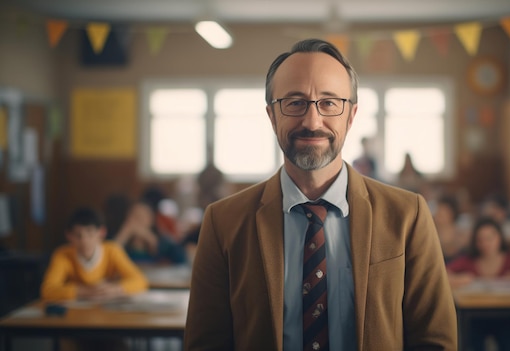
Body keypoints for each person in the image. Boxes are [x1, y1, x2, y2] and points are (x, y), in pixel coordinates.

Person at [184, 39, 457, 351]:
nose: (312, 122)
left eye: (329, 103)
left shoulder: (408, 214)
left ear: (351, 116)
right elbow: (205, 343)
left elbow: (435, 341)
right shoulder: (223, 222)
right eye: (295, 102)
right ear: (272, 116)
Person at [446, 217, 510, 351]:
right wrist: (459, 279)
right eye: (480, 240)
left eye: (490, 238)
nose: (485, 243)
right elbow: (442, 273)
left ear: (499, 237)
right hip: (477, 317)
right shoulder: (468, 261)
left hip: (507, 316)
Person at [40, 206, 148, 301]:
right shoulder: (62, 254)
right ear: (69, 236)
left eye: (90, 233)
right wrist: (84, 292)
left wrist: (115, 289)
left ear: (101, 233)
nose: (84, 240)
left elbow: (140, 281)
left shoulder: (112, 250)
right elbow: (48, 290)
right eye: (78, 235)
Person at [114, 201, 187, 265]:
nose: (139, 220)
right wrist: (124, 234)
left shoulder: (164, 242)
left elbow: (181, 261)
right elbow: (110, 256)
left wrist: (152, 240)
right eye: (135, 216)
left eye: (143, 216)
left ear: (151, 220)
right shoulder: (122, 241)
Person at [433, 194, 470, 263]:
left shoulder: (462, 236)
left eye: (441, 213)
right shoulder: (431, 235)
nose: (437, 215)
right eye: (438, 211)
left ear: (451, 214)